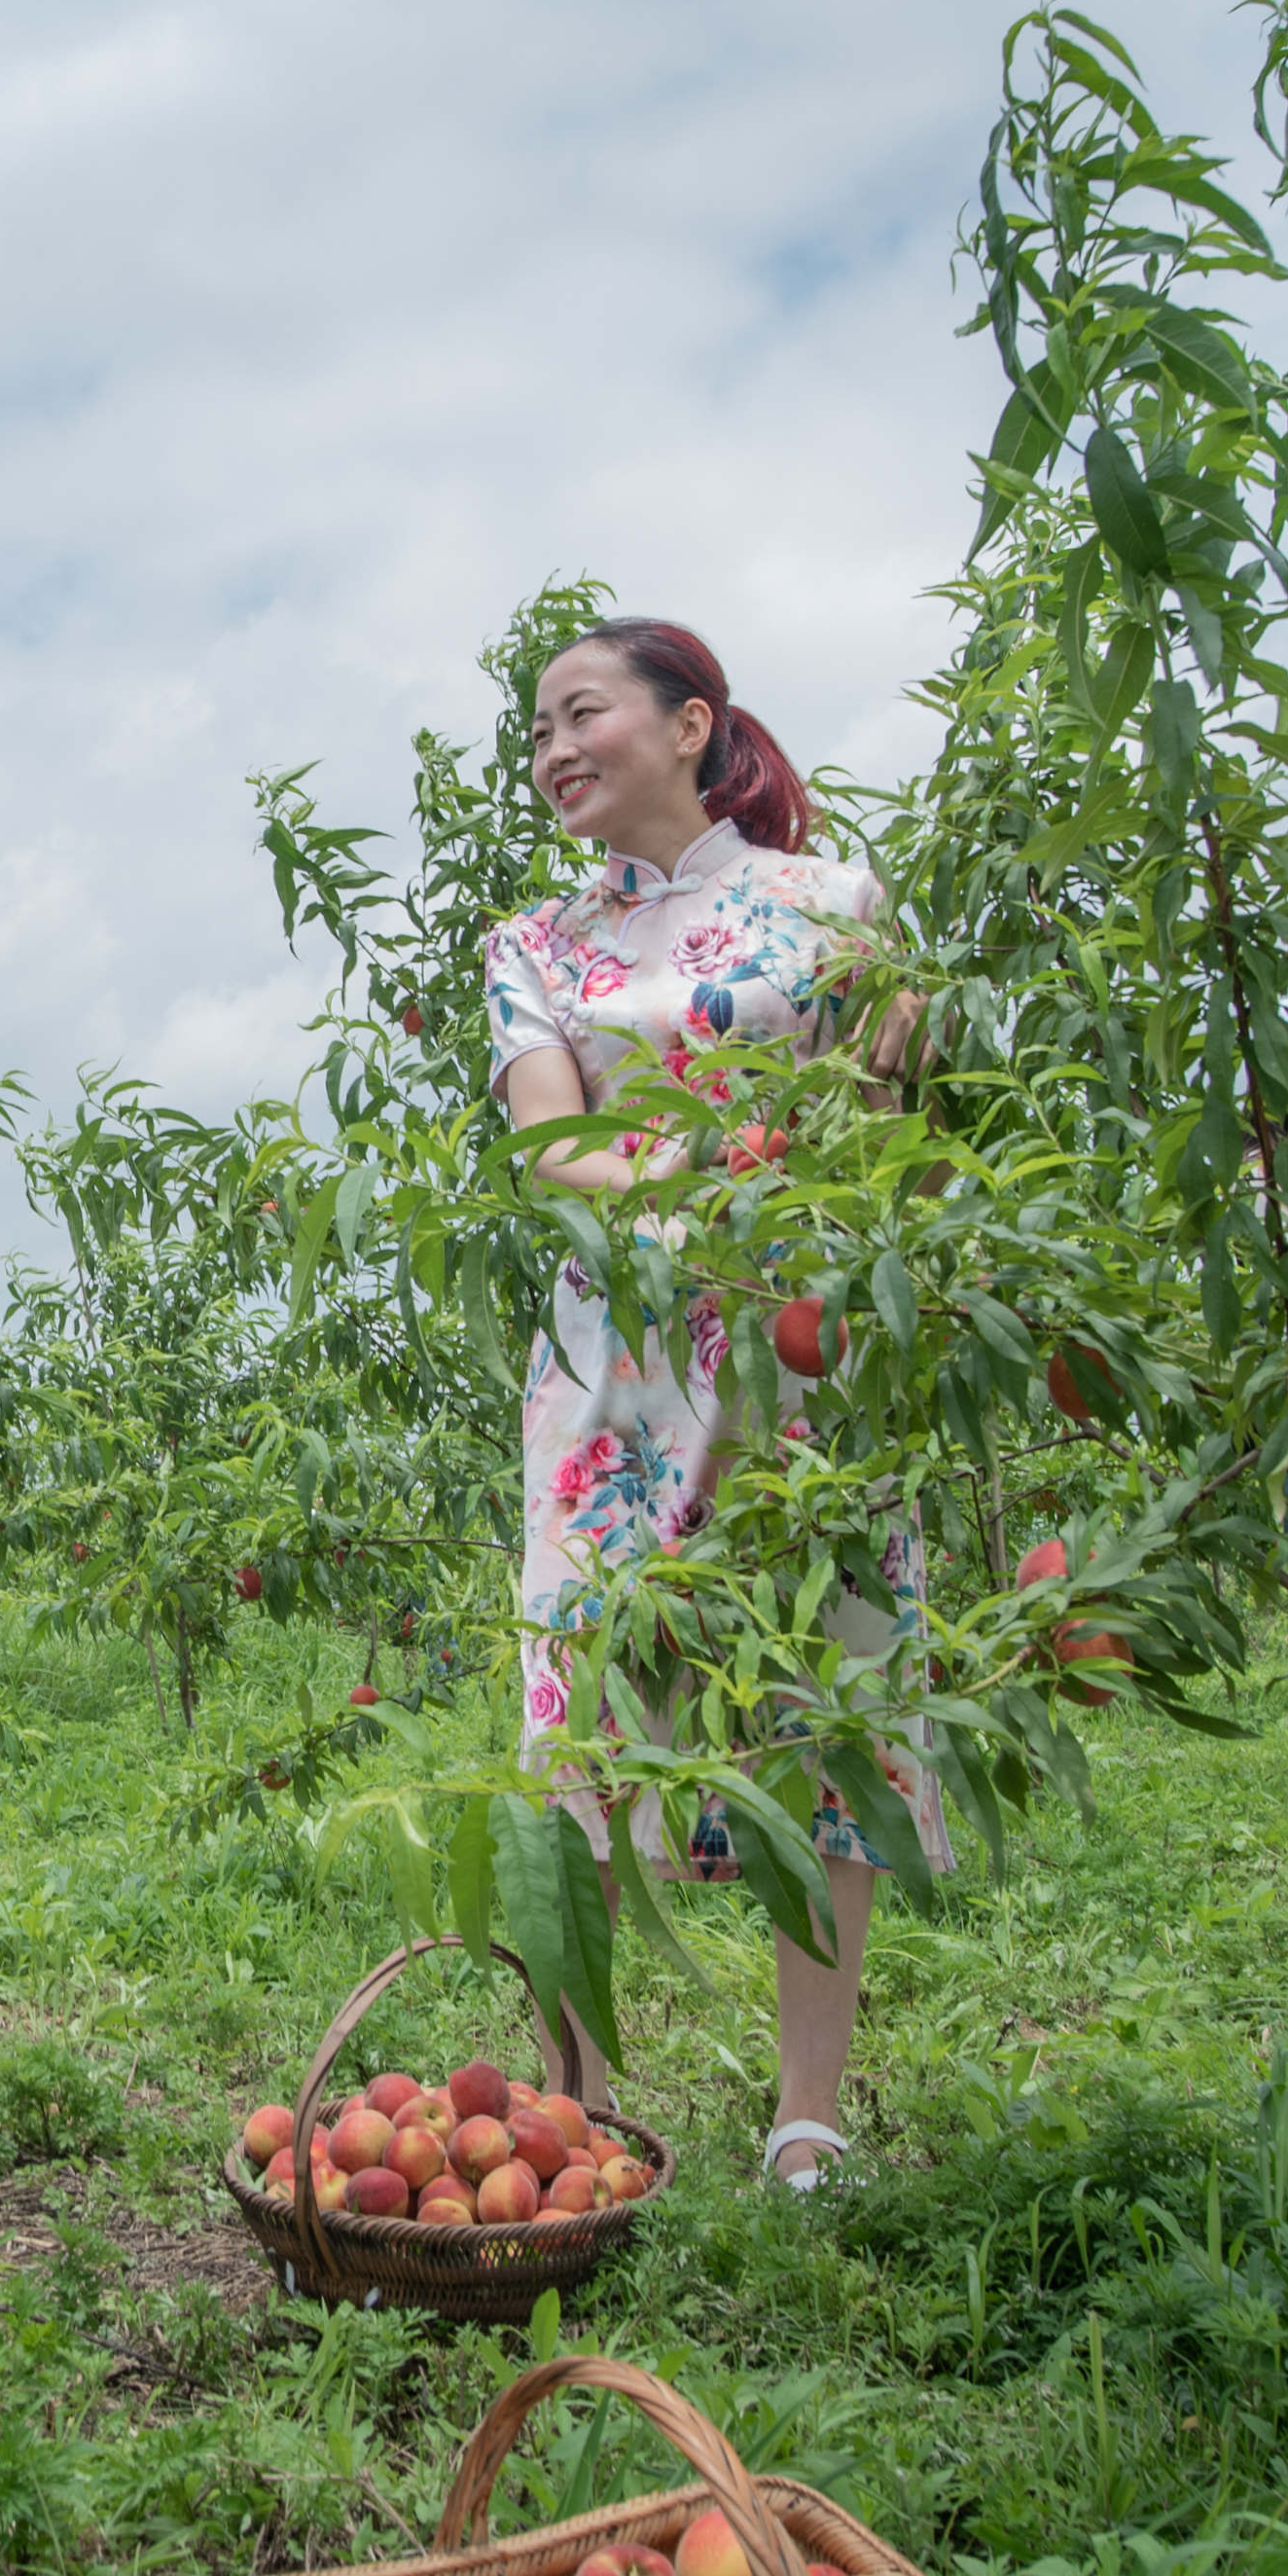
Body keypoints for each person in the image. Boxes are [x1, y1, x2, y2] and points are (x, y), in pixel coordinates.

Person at [480, 618, 940, 2195]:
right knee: (587, 1724)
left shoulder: (838, 908)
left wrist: (820, 1200)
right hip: (613, 1380)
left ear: (689, 723)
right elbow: (552, 1156)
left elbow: (884, 1132)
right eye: (531, 726)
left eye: (578, 709)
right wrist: (718, 1171)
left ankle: (807, 2111)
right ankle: (576, 2107)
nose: (548, 745)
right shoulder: (535, 946)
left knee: (822, 1714)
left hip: (802, 1369)